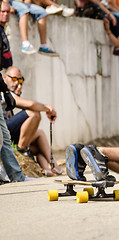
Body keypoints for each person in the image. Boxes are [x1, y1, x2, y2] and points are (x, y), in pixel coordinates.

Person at [2, 66, 63, 176]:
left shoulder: (9, 96)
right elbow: (31, 105)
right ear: (5, 77)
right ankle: (22, 150)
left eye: (20, 81)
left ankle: (51, 167)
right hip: (2, 133)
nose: (17, 84)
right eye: (14, 79)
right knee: (33, 113)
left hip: (7, 133)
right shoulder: (4, 92)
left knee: (39, 135)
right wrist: (48, 108)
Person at [0, 0, 37, 182]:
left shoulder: (2, 34)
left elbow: (3, 67)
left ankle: (16, 175)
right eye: (3, 11)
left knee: (3, 137)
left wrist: (5, 91)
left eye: (8, 11)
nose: (6, 14)